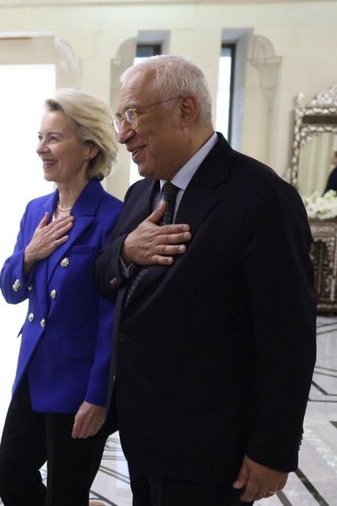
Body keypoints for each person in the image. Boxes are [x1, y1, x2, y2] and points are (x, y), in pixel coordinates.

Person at [95, 54, 317, 506]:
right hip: (143, 435)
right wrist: (124, 251)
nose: (122, 134)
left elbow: (288, 339)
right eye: (120, 118)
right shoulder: (141, 194)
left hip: (212, 451)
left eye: (133, 114)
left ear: (186, 110)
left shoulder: (261, 197)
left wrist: (272, 449)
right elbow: (103, 277)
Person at [0, 89, 123, 506]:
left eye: (53, 138)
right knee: (11, 475)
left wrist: (98, 396)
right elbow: (10, 290)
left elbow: (112, 317)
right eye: (40, 137)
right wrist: (29, 255)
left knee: (66, 496)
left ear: (89, 148)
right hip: (34, 373)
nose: (40, 148)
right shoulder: (36, 211)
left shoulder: (113, 217)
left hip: (79, 385)